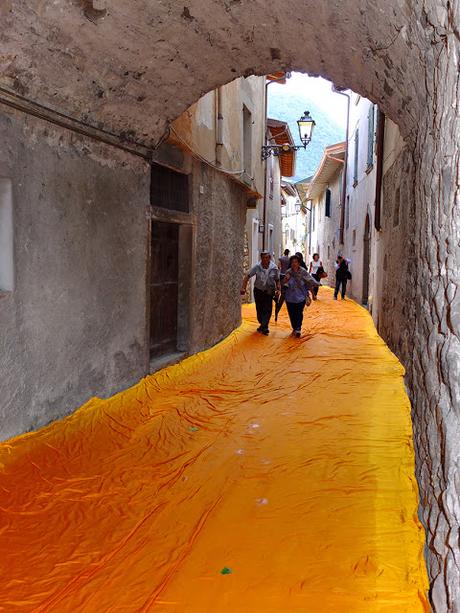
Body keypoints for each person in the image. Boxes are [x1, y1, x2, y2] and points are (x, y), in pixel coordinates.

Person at [241, 251, 280, 335]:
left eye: (266, 257)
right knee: (259, 309)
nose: (265, 259)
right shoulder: (257, 267)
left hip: (269, 291)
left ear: (269, 258)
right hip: (258, 291)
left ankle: (264, 327)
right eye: (263, 258)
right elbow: (247, 276)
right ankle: (262, 325)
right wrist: (243, 287)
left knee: (268, 309)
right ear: (261, 258)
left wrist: (278, 290)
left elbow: (277, 280)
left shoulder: (274, 268)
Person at [283, 255, 320, 337]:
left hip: (300, 297)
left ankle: (298, 329)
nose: (294, 264)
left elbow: (309, 281)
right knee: (292, 314)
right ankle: (294, 327)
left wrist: (314, 292)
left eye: (296, 262)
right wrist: (286, 279)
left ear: (299, 263)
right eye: (292, 262)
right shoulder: (288, 272)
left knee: (299, 313)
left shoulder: (303, 272)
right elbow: (283, 283)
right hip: (290, 298)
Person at [275, 249, 290, 322]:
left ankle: (277, 309)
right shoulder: (289, 259)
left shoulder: (281, 258)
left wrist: (280, 269)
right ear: (288, 253)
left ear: (284, 252)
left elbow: (278, 266)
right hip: (287, 276)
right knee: (285, 290)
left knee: (282, 289)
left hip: (281, 275)